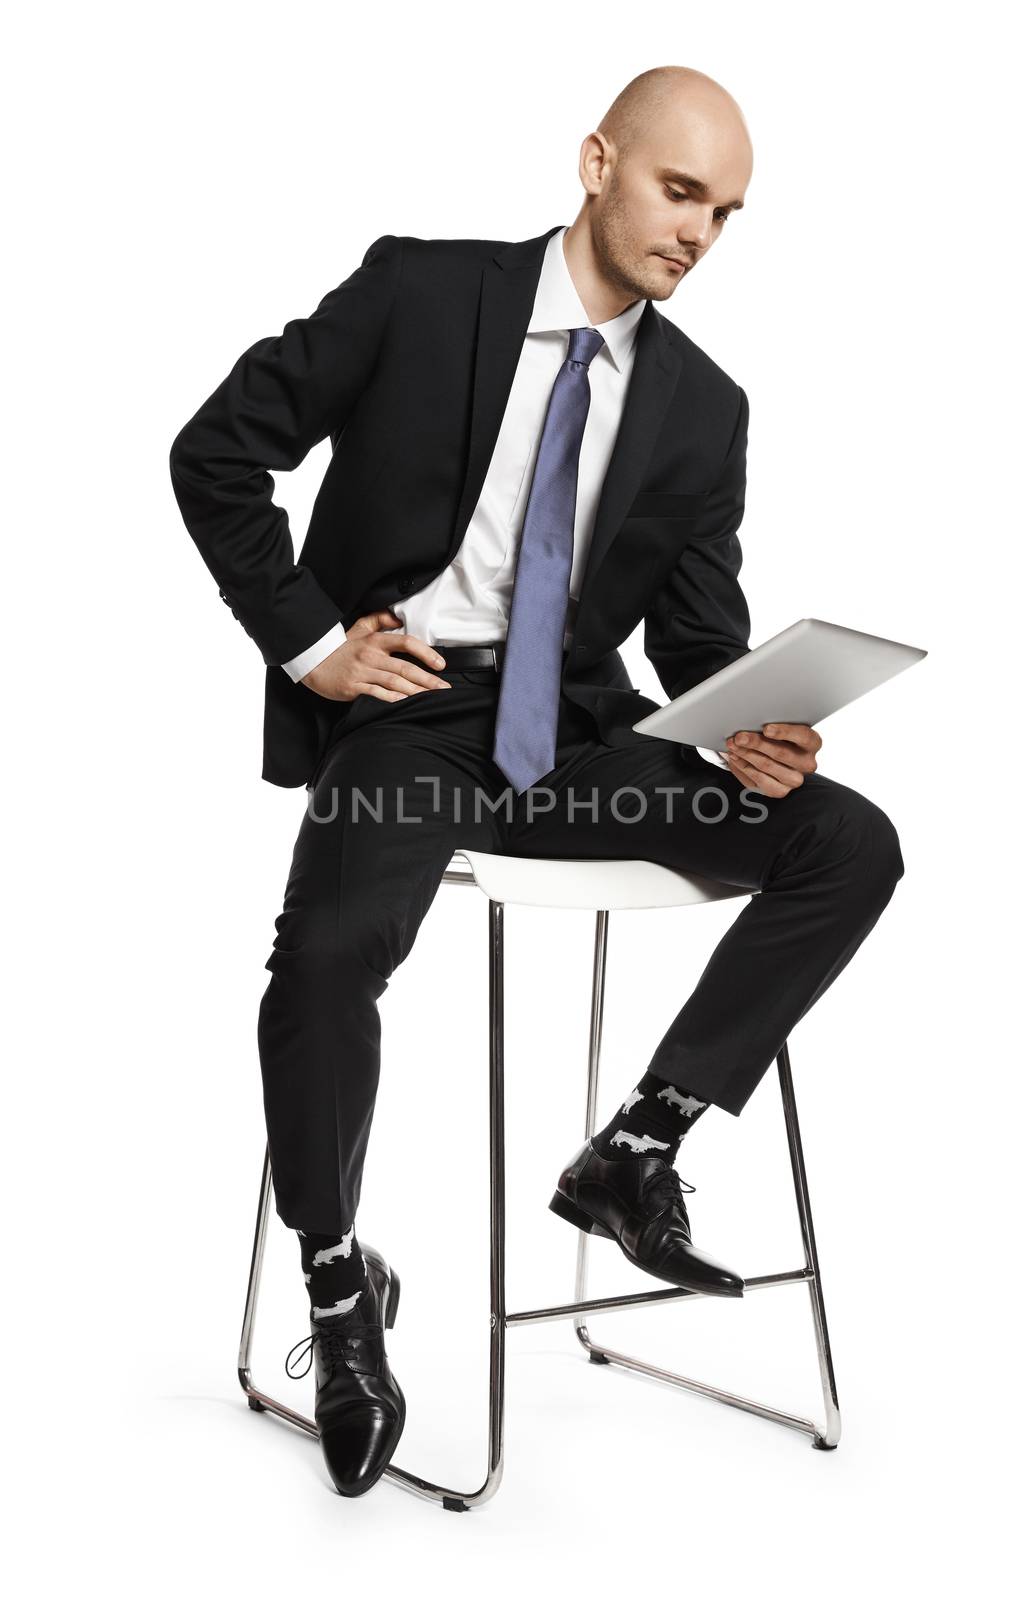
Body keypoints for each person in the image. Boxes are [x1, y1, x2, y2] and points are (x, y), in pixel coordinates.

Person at [169, 65, 905, 1498]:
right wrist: (317, 644)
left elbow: (695, 636)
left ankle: (639, 1147)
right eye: (680, 191)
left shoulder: (703, 406)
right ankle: (336, 1277)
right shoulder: (422, 293)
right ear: (597, 163)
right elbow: (217, 455)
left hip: (581, 745)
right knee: (325, 955)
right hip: (414, 718)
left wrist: (754, 722)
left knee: (849, 841)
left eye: (727, 213)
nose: (699, 232)